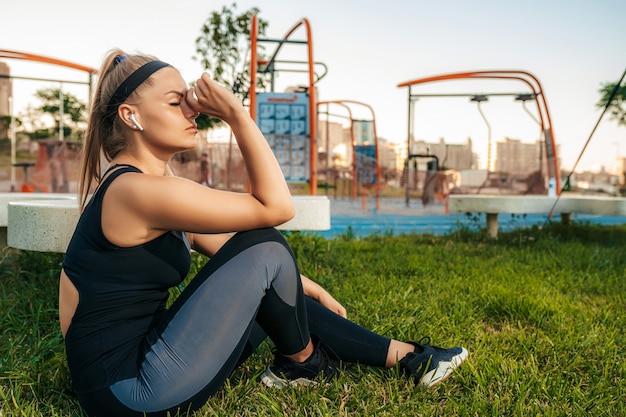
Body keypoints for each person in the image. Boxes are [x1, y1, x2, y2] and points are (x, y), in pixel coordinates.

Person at [58, 50, 468, 417]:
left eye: (190, 101)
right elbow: (275, 209)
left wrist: (306, 285)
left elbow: (237, 263)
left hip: (142, 359)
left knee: (265, 269)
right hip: (128, 392)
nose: (192, 112)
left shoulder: (145, 187)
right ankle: (302, 364)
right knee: (267, 244)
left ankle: (412, 358)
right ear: (131, 116)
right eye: (175, 102)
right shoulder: (136, 191)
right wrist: (237, 114)